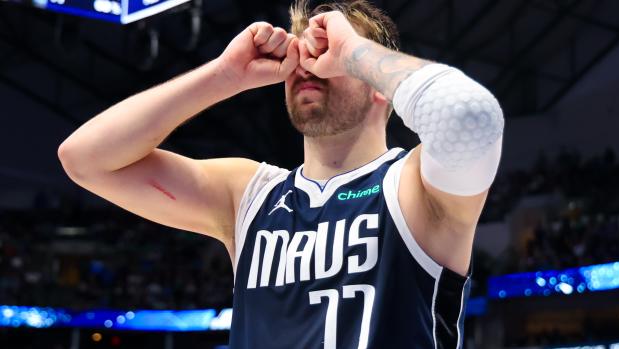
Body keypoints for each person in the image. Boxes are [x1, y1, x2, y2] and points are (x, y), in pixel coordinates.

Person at [58, 0, 504, 347]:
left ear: (379, 87)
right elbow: (85, 159)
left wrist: (355, 53)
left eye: (328, 53)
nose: (310, 63)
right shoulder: (248, 193)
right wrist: (223, 76)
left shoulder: (414, 186)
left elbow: (471, 117)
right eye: (303, 52)